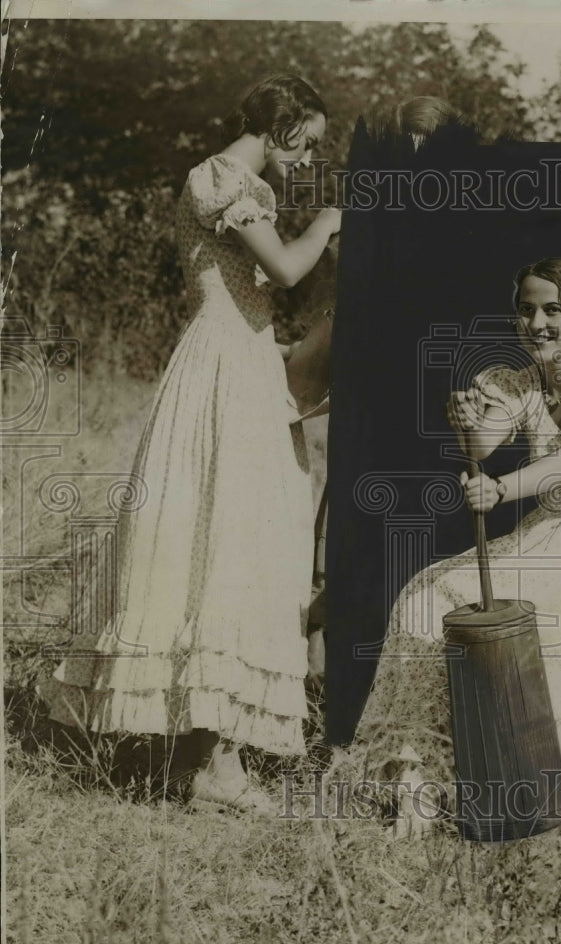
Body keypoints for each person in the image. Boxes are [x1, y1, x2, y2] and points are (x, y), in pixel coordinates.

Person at [39, 74, 342, 813]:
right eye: (308, 144)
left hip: (243, 360)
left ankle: (205, 755)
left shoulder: (243, 185)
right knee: (227, 545)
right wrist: (333, 218)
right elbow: (285, 267)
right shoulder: (221, 178)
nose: (307, 162)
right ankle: (212, 766)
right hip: (222, 370)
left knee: (234, 544)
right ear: (284, 126)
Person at [354, 257, 561, 819]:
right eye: (526, 310)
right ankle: (419, 777)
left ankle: (547, 791)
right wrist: (465, 418)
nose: (537, 323)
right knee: (427, 598)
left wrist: (499, 490)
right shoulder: (515, 382)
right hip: (552, 533)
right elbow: (483, 444)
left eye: (553, 310)